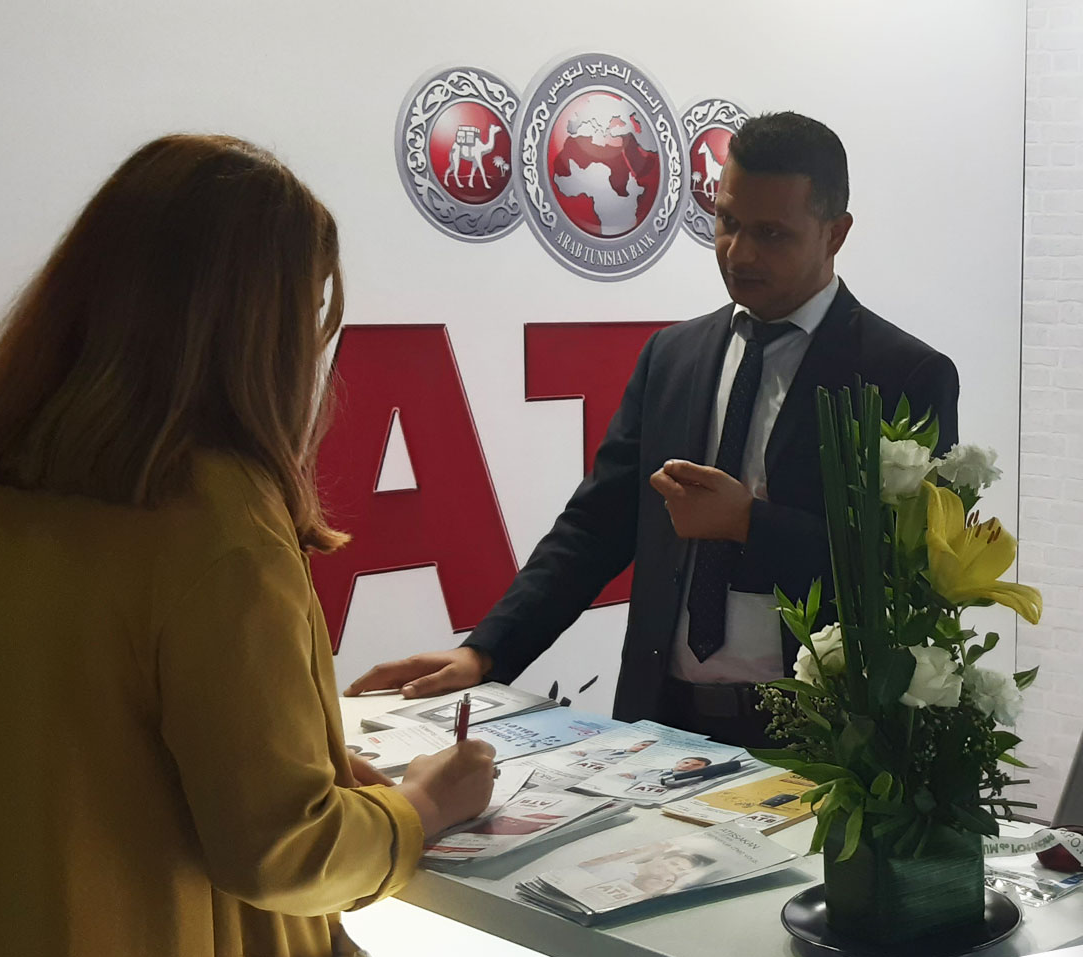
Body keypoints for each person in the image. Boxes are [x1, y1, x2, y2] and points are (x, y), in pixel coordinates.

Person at [0, 134, 496, 957]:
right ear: (257, 330)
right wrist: (423, 808)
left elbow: (73, 730)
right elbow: (282, 850)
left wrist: (304, 771)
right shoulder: (217, 520)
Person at [347, 112, 960, 748]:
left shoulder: (903, 375)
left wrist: (749, 524)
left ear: (835, 233)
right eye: (727, 222)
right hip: (660, 721)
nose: (739, 253)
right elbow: (595, 528)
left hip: (826, 738)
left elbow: (908, 571)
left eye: (772, 233)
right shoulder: (673, 356)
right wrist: (486, 652)